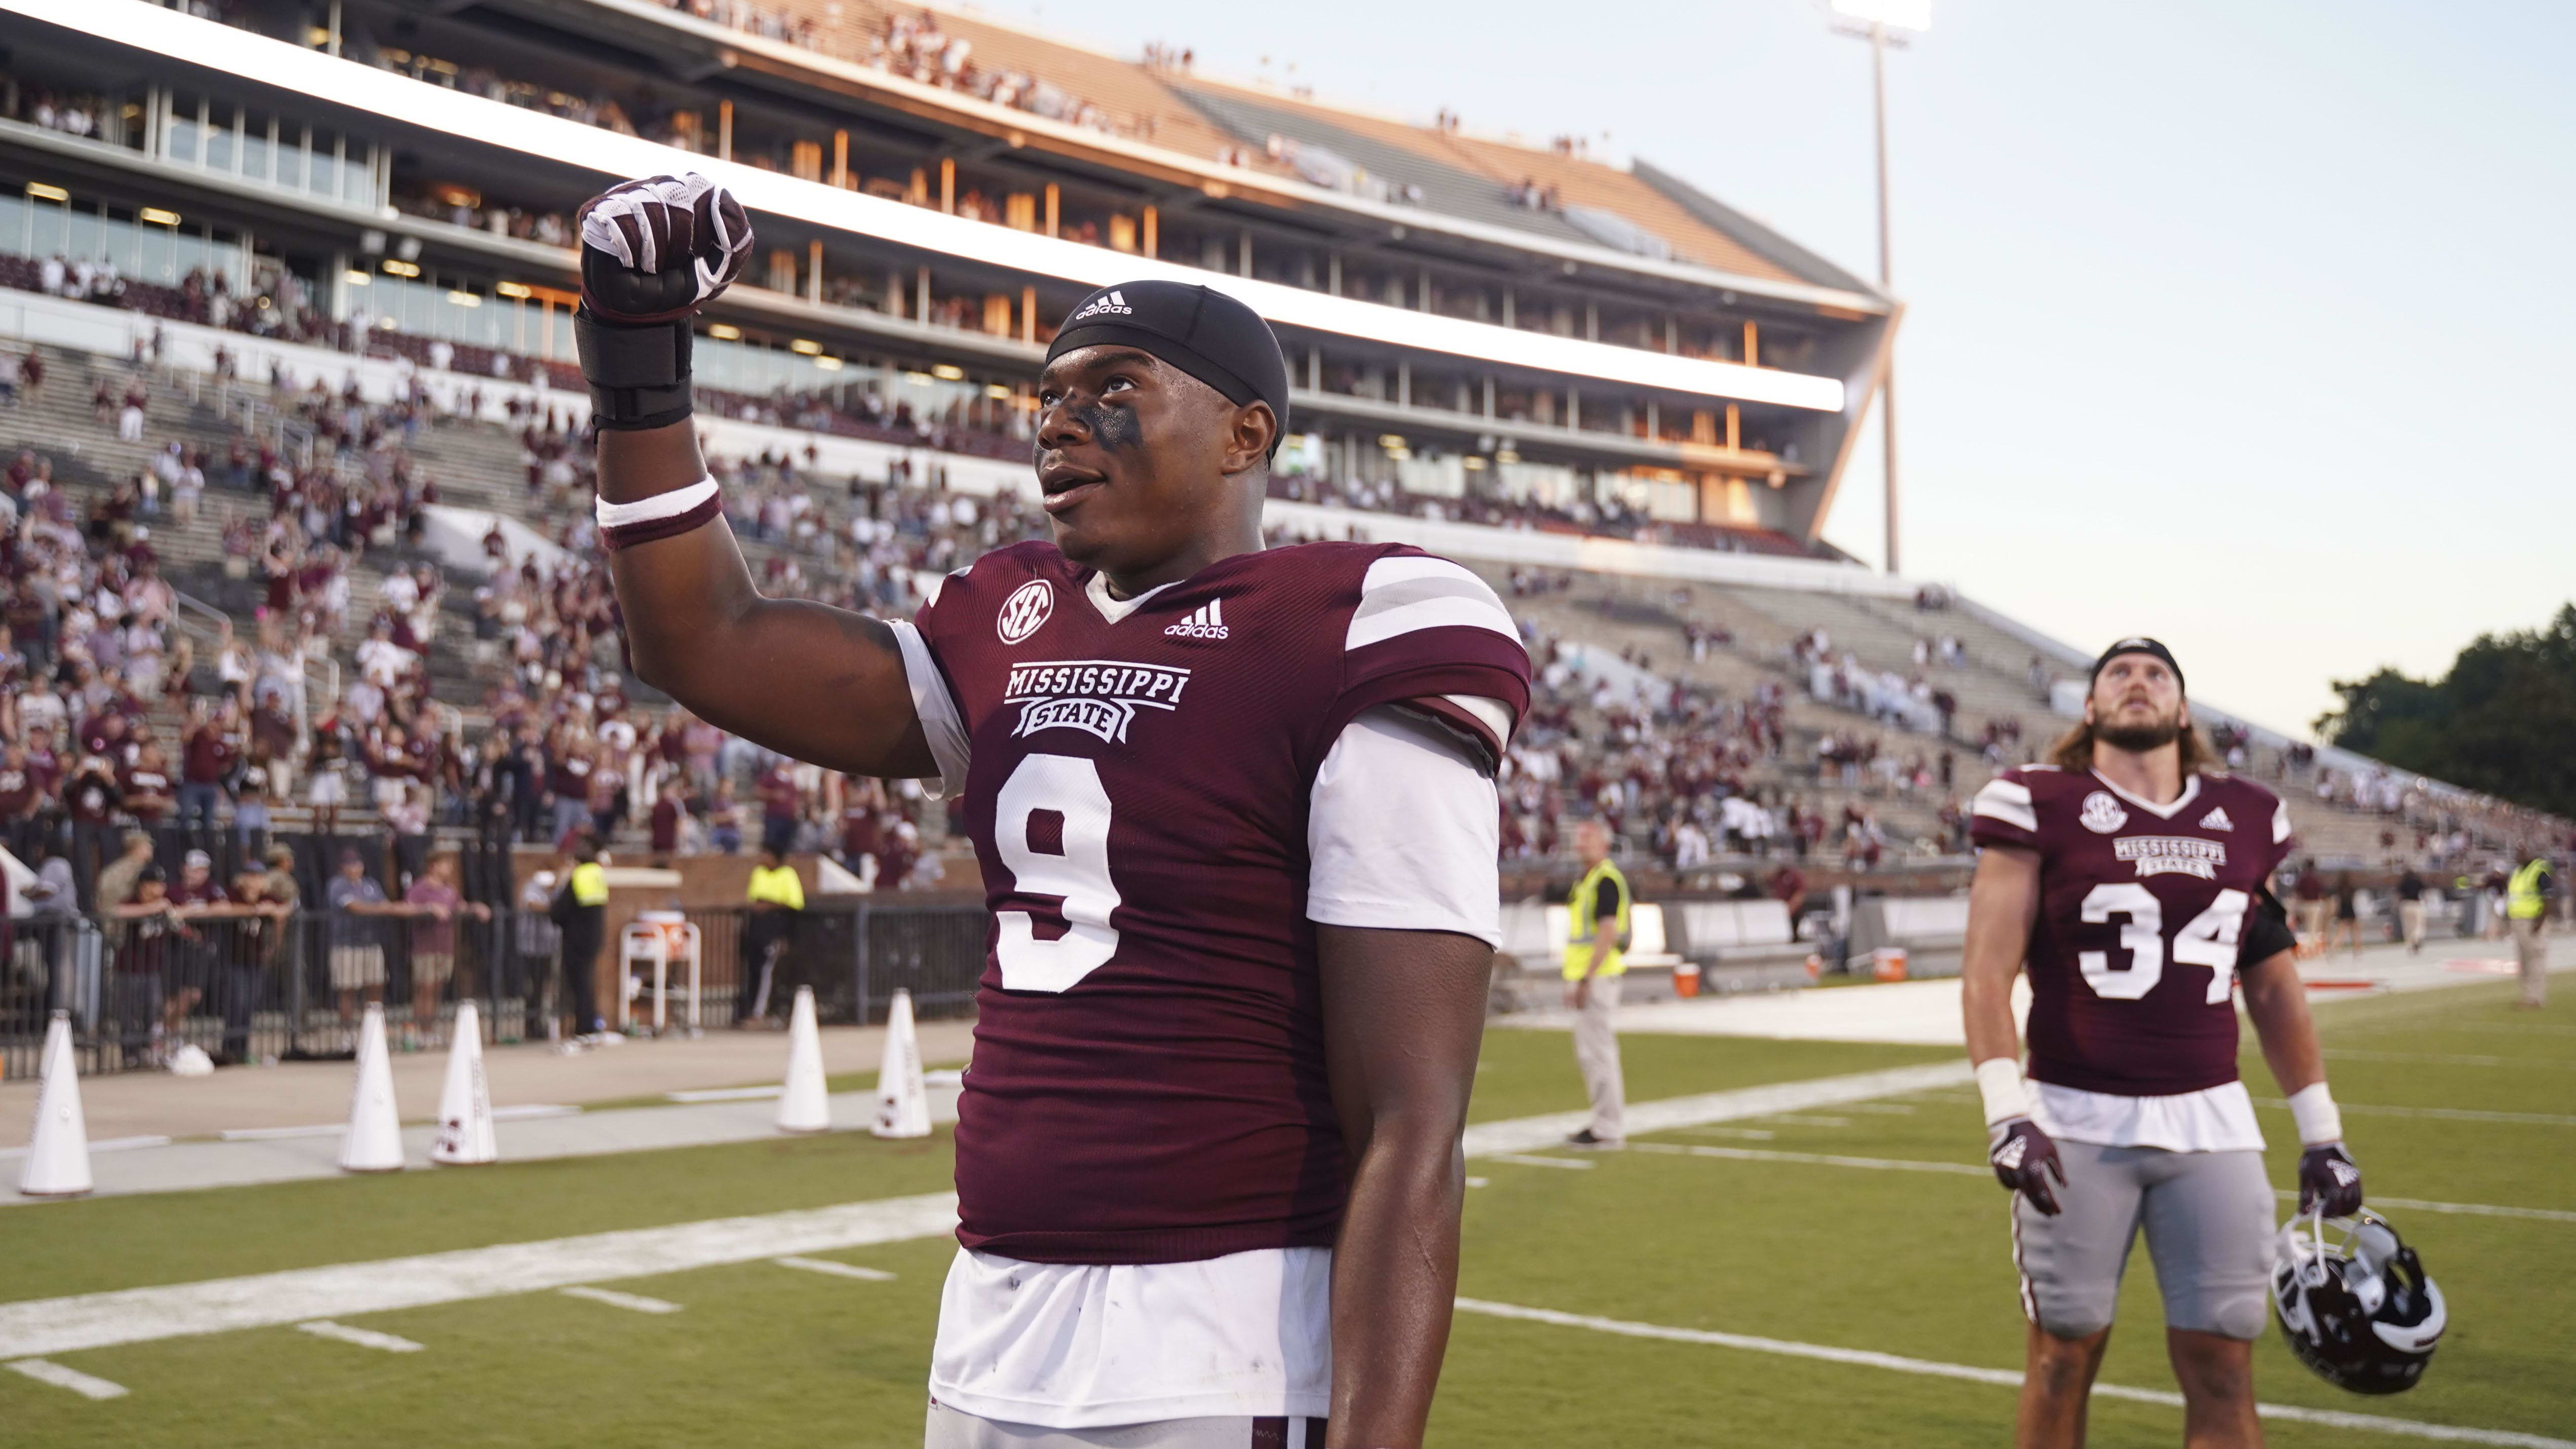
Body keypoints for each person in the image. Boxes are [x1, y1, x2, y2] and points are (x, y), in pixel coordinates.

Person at [576, 174, 1528, 1449]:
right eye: (1049, 400)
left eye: (1113, 390)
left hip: (1225, 1327)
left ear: (1245, 434)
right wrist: (642, 364)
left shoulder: (1365, 623)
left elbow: (1414, 1118)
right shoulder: (1007, 617)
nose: (1061, 425)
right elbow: (703, 638)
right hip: (991, 1318)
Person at [1961, 638, 2364, 1449]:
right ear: (2090, 708)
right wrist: (2006, 1110)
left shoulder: (2246, 814)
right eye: (2118, 672)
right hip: (2075, 1119)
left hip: (2210, 1121)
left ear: (2183, 709)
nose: (2136, 682)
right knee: (2062, 1358)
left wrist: (2323, 1132)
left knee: (2224, 1362)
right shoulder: (2036, 799)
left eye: (2156, 674)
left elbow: (2274, 983)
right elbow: (1986, 970)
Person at [1562, 819, 1628, 1148]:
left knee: (1599, 1053)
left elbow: (1608, 931)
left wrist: (1586, 977)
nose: (1579, 843)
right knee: (1593, 1053)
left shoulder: (1604, 880)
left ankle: (1608, 1127)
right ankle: (1605, 1122)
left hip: (1598, 976)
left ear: (1603, 842)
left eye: (1586, 837)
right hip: (1591, 975)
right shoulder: (1588, 880)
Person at [406, 856, 491, 1047]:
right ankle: (420, 1031)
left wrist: (476, 907)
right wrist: (429, 908)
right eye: (446, 864)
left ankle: (431, 1029)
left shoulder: (449, 889)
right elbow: (408, 908)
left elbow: (459, 906)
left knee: (437, 988)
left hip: (445, 946)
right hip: (426, 947)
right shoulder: (420, 888)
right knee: (425, 989)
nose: (449, 868)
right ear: (433, 866)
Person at [325, 849, 411, 1035]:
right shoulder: (337, 885)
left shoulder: (371, 884)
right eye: (350, 865)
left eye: (358, 864)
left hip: (371, 942)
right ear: (342, 868)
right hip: (346, 944)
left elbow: (386, 904)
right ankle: (347, 1033)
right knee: (348, 989)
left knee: (375, 985)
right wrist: (382, 909)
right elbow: (355, 907)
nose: (355, 868)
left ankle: (373, 1029)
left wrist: (395, 908)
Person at [551, 837, 609, 1044]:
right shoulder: (598, 874)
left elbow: (559, 911)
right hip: (594, 935)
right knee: (587, 983)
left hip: (576, 938)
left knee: (579, 985)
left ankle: (583, 1029)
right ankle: (589, 1026)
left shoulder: (578, 877)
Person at [740, 844, 804, 1025]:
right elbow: (754, 899)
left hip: (775, 928)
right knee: (753, 969)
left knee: (767, 970)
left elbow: (794, 903)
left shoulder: (787, 874)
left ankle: (759, 1012)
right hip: (757, 930)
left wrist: (769, 905)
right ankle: (751, 1010)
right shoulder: (759, 872)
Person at [2507, 852, 2555, 1009]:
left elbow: (2548, 897)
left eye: (2521, 851)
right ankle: (2528, 996)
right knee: (2524, 961)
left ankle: (2536, 998)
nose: (2517, 854)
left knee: (2535, 959)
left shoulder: (2538, 870)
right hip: (2518, 920)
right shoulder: (2517, 872)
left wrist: (2540, 921)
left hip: (2533, 921)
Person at [2396, 863, 2428, 954]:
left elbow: (2399, 894)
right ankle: (2416, 938)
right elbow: (2424, 892)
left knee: (2407, 927)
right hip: (2416, 904)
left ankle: (2409, 945)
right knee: (2418, 925)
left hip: (2405, 904)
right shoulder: (2418, 881)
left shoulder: (2403, 882)